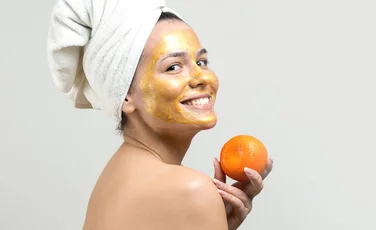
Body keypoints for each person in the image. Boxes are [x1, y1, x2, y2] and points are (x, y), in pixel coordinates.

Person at [46, 0, 273, 229]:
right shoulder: (190, 189)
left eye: (201, 62)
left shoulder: (116, 175)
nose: (203, 77)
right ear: (125, 94)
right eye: (173, 67)